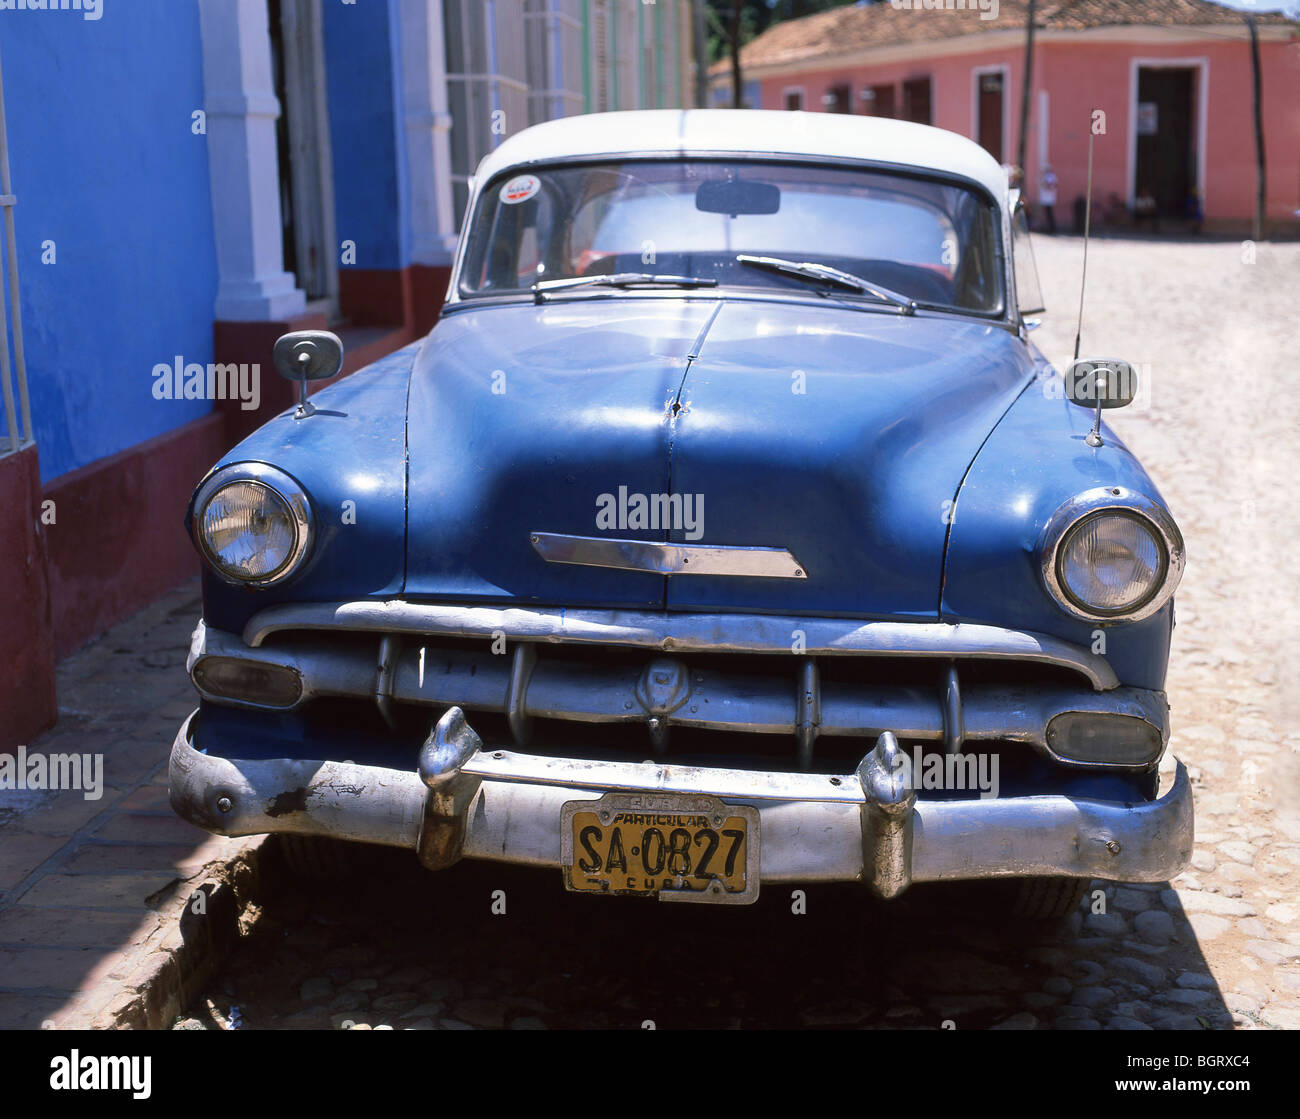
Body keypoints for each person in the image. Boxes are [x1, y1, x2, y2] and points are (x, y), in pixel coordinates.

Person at [1038, 165, 1059, 234]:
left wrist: (1044, 185)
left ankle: (1052, 228)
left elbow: (1049, 185)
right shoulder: (1048, 176)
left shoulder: (1050, 176)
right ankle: (1050, 227)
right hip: (1047, 198)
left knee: (1049, 213)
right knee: (1048, 213)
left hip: (1048, 198)